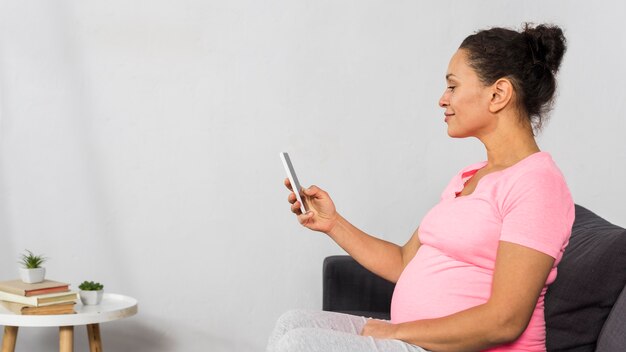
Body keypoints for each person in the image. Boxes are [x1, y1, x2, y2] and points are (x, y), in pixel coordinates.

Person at [268, 23, 574, 352]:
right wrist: (333, 223)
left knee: (300, 344)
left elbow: (505, 320)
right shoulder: (469, 177)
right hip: (419, 341)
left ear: (498, 94)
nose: (443, 100)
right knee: (293, 323)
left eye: (453, 87)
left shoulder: (537, 184)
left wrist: (398, 332)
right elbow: (403, 261)